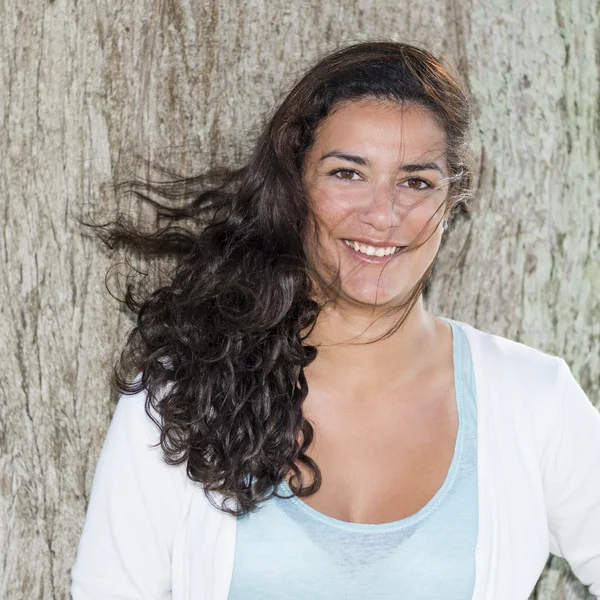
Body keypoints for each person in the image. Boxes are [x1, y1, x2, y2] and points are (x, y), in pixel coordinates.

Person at [70, 41, 600, 599]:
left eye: (416, 181)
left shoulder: (531, 400)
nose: (382, 214)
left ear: (453, 200)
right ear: (296, 186)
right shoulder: (186, 390)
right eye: (348, 173)